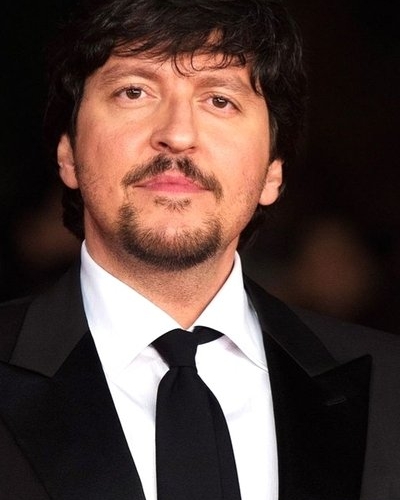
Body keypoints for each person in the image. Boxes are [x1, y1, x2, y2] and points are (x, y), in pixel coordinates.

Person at [0, 0, 399, 499]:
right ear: (69, 154)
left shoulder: (391, 387)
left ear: (273, 171)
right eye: (134, 91)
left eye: (219, 100)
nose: (177, 135)